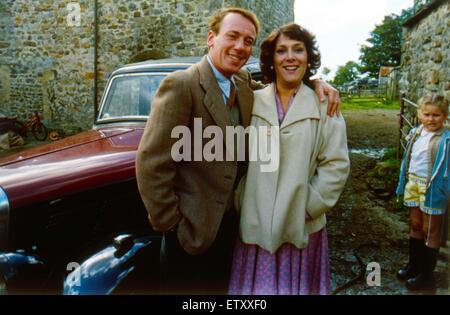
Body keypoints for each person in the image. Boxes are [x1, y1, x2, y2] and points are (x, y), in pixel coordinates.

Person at [135, 7, 340, 294]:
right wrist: (173, 224)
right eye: (232, 36)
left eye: (247, 40)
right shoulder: (181, 85)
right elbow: (151, 164)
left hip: (235, 231)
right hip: (192, 234)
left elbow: (281, 87)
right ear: (211, 38)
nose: (240, 46)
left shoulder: (243, 84)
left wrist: (315, 83)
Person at [228, 23, 350, 295]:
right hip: (255, 226)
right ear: (272, 60)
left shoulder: (324, 105)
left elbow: (336, 163)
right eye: (281, 51)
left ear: (309, 57)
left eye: (298, 49)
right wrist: (241, 197)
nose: (290, 57)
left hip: (302, 226)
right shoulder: (252, 101)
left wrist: (309, 205)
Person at [396, 93, 449, 291]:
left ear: (444, 116)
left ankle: (426, 275)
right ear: (419, 114)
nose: (430, 119)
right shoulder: (417, 132)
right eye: (426, 114)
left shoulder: (447, 139)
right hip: (413, 184)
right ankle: (414, 265)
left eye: (436, 115)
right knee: (416, 224)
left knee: (430, 230)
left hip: (433, 188)